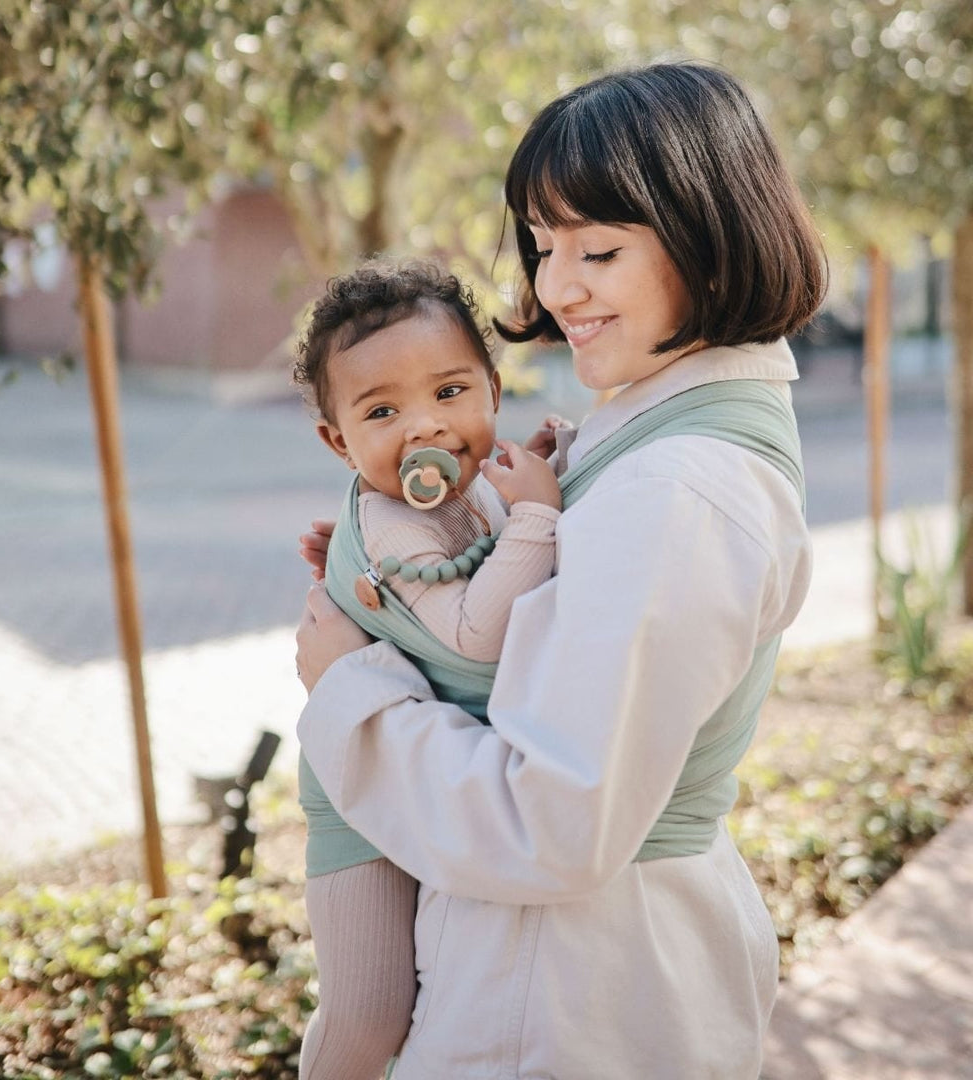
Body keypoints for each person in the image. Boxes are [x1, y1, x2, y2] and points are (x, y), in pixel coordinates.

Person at [296, 61, 826, 1078]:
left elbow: (548, 823)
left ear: (710, 233)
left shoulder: (678, 489)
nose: (556, 286)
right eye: (543, 247)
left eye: (600, 248)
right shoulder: (657, 428)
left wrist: (353, 686)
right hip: (584, 964)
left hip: (566, 989)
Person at [291, 258, 565, 1080]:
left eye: (450, 394)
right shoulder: (396, 523)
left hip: (428, 758)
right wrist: (540, 516)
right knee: (368, 1012)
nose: (425, 429)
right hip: (360, 783)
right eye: (382, 411)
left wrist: (532, 480)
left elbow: (482, 548)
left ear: (491, 387)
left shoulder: (464, 486)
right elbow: (478, 632)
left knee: (434, 995)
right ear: (340, 442)